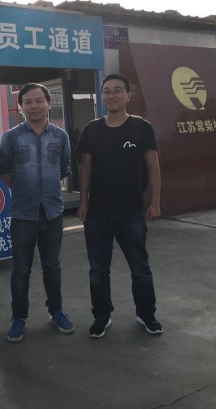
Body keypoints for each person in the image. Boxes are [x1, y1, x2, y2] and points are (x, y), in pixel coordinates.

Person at [77, 74, 163, 338]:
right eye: (106, 91)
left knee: (140, 268)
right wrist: (83, 202)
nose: (111, 95)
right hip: (97, 213)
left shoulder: (142, 128)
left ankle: (146, 314)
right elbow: (86, 168)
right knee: (98, 270)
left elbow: (153, 166)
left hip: (131, 212)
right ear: (101, 96)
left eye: (117, 90)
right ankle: (101, 317)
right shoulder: (91, 129)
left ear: (128, 96)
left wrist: (155, 202)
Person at [0, 83, 74, 342]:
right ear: (20, 107)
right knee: (21, 269)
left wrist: (44, 189)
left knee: (52, 266)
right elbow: (3, 169)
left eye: (39, 101)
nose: (34, 106)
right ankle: (18, 317)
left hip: (52, 213)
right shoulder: (12, 137)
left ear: (48, 103)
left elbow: (64, 168)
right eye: (27, 102)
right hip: (23, 215)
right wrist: (23, 189)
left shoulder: (60, 136)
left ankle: (56, 312)